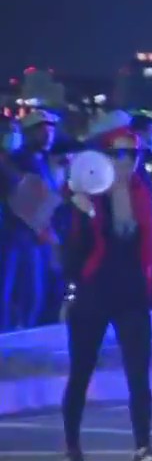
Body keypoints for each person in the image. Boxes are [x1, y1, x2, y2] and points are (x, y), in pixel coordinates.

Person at [60, 111, 152, 461]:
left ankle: (143, 449)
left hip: (131, 293)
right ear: (104, 158)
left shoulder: (143, 193)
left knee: (138, 374)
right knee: (81, 371)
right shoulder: (84, 195)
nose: (127, 161)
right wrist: (79, 212)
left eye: (133, 154)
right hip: (93, 292)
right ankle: (72, 451)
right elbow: (72, 251)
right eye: (119, 154)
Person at [0, 108, 61, 330]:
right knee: (9, 294)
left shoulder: (42, 160)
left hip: (35, 240)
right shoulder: (16, 161)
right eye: (43, 131)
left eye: (51, 130)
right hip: (13, 238)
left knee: (33, 296)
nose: (48, 135)